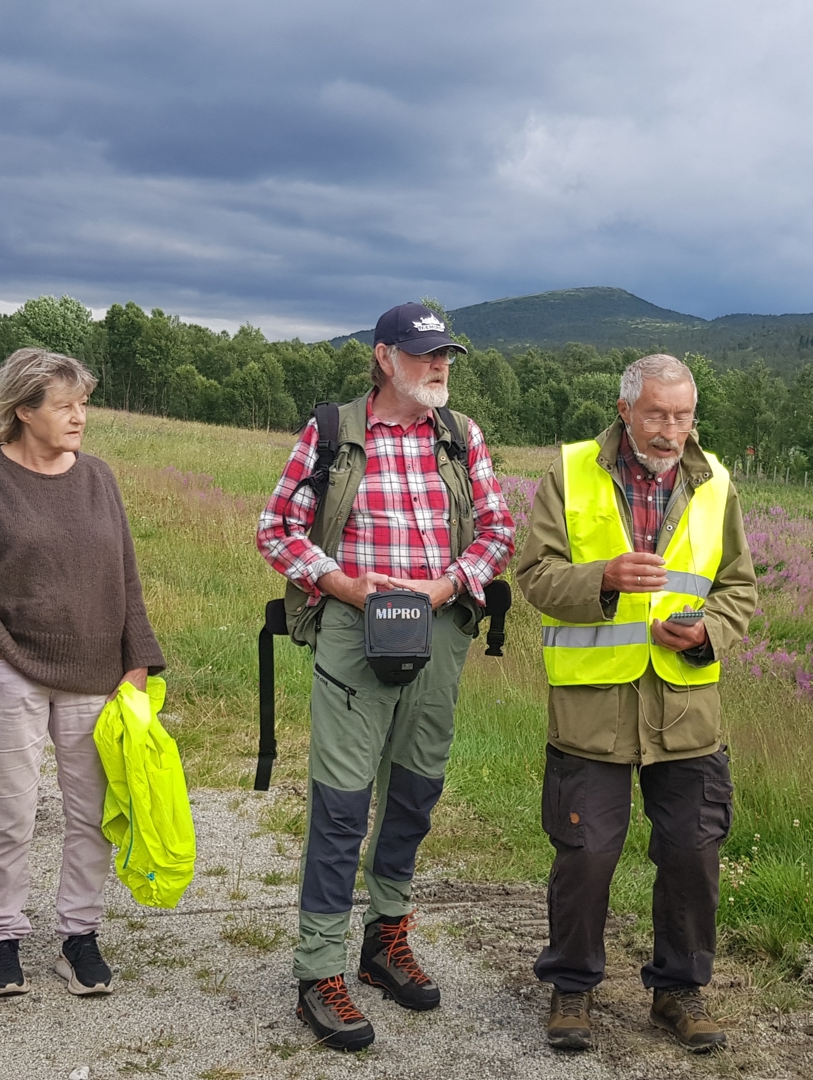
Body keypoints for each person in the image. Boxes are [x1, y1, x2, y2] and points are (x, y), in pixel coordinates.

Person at [255, 302, 515, 1050]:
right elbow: (277, 528)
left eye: (446, 356)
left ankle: (385, 940)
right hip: (351, 631)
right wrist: (342, 584)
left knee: (415, 794)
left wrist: (444, 587)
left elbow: (498, 531)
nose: (439, 366)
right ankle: (318, 970)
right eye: (424, 353)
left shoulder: (461, 437)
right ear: (383, 357)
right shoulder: (335, 432)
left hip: (438, 628)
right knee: (342, 806)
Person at [515, 354, 757, 1054]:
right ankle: (572, 989)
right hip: (592, 710)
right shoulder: (569, 472)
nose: (671, 431)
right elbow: (533, 574)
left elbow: (739, 585)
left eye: (683, 416)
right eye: (658, 415)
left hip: (687, 711)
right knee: (586, 855)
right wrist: (604, 579)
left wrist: (708, 630)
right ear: (626, 411)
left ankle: (679, 991)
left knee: (692, 852)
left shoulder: (715, 487)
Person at [0, 348, 164, 997]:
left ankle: (78, 937)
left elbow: (124, 575)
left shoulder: (98, 477)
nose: (80, 416)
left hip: (96, 673)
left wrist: (137, 661)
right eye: (65, 405)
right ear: (23, 411)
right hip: (8, 668)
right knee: (11, 813)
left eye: (83, 403)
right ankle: (3, 938)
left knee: (93, 814)